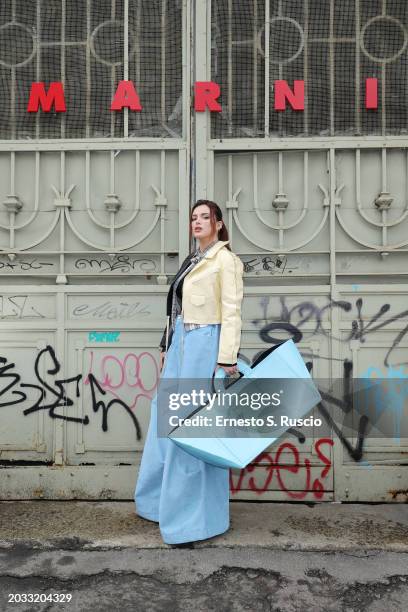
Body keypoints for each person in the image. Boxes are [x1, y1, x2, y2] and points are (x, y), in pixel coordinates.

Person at [134, 199, 244, 546]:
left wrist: (226, 361)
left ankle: (191, 522)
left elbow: (232, 314)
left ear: (219, 223)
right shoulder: (194, 260)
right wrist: (166, 347)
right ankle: (157, 504)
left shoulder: (225, 260)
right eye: (193, 217)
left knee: (192, 427)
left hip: (205, 344)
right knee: (164, 420)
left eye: (204, 217)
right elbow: (175, 309)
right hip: (183, 341)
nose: (197, 222)